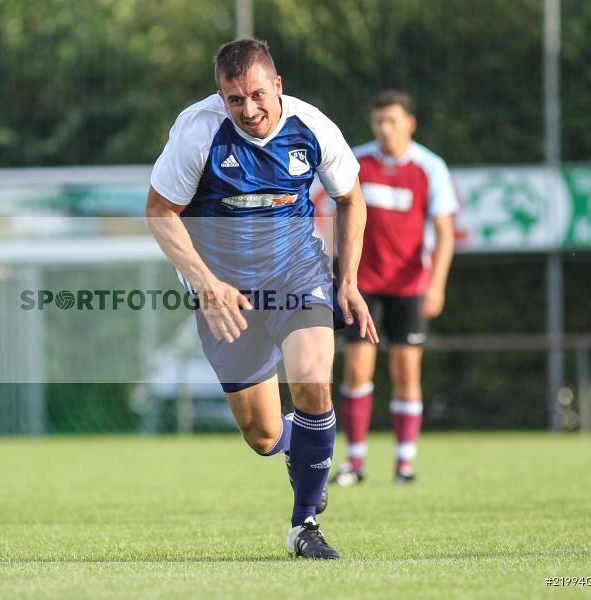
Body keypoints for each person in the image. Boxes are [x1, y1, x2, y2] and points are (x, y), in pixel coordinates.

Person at [146, 39, 377, 560]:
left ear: (278, 85)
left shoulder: (313, 127)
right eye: (233, 99)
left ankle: (304, 525)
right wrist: (206, 285)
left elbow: (350, 198)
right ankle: (298, 446)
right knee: (263, 434)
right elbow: (160, 211)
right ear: (220, 97)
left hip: (297, 272)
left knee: (314, 378)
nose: (247, 109)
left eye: (256, 95)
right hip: (224, 289)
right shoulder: (198, 132)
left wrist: (347, 279)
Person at [331, 90, 457, 486]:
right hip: (362, 285)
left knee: (406, 371)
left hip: (409, 287)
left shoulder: (429, 167)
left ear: (409, 124)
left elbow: (444, 232)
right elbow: (336, 214)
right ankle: (355, 463)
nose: (385, 128)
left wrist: (435, 285)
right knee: (356, 369)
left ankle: (404, 465)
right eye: (379, 121)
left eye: (392, 121)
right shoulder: (356, 161)